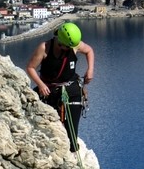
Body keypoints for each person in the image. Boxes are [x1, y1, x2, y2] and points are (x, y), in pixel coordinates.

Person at [26, 21, 95, 152]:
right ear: (60, 42)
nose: (69, 50)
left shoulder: (74, 45)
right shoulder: (45, 47)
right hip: (48, 89)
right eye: (66, 47)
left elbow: (89, 51)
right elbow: (30, 68)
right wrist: (40, 84)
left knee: (72, 138)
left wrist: (90, 69)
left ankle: (73, 150)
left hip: (71, 87)